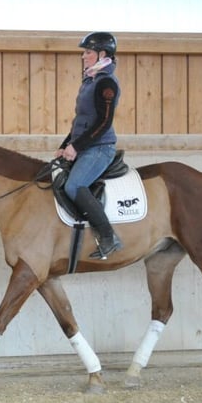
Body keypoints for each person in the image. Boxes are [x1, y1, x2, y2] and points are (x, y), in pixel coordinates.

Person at [55, 31, 123, 259]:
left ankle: (108, 236)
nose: (83, 56)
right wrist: (65, 144)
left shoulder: (106, 83)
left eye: (88, 52)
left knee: (74, 186)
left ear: (102, 54)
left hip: (100, 147)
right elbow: (81, 120)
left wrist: (77, 147)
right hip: (85, 146)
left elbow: (103, 122)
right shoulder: (90, 79)